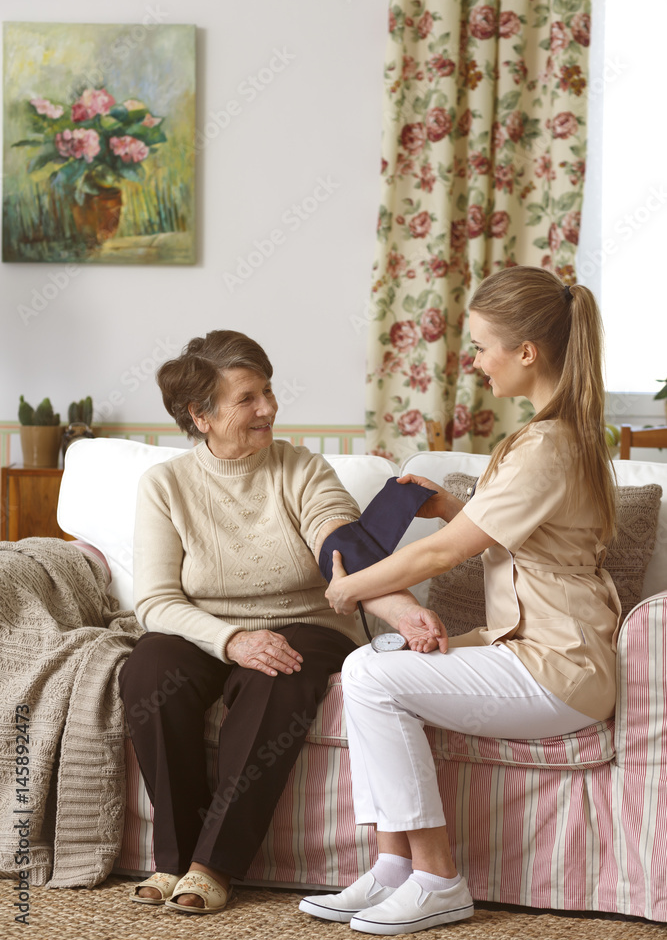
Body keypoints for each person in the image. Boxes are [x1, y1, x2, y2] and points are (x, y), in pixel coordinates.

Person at [299, 267, 621, 935]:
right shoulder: (559, 434)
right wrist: (456, 506)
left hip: (558, 667)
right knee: (380, 662)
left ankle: (437, 879)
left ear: (525, 352)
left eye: (480, 347)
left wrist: (350, 585)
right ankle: (392, 869)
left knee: (369, 673)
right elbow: (520, 532)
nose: (474, 364)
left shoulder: (547, 444)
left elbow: (445, 553)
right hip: (539, 655)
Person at [119, 329, 432, 916]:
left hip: (307, 626)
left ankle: (212, 865)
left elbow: (341, 546)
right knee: (147, 666)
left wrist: (403, 608)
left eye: (267, 391)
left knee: (279, 670)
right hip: (209, 629)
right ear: (200, 415)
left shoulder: (299, 468)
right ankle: (172, 857)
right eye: (247, 398)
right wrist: (231, 640)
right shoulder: (165, 485)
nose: (268, 408)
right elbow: (156, 602)